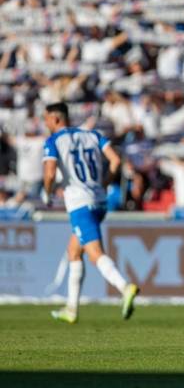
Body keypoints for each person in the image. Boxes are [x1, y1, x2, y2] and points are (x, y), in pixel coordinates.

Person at [42, 102, 139, 324]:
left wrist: (47, 195)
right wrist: (104, 183)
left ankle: (125, 287)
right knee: (74, 251)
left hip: (80, 203)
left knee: (95, 253)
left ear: (56, 119)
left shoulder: (53, 141)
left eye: (46, 118)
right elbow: (115, 159)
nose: (45, 123)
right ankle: (71, 309)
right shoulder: (93, 135)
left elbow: (49, 174)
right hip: (99, 201)